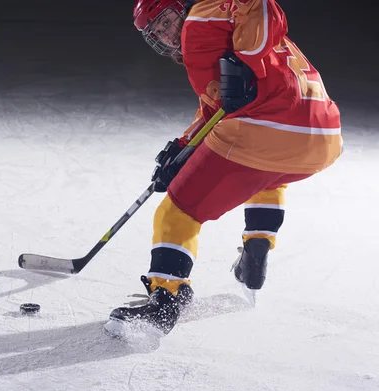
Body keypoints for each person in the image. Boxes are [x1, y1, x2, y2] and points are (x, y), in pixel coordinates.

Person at [106, 0, 342, 335]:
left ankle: (165, 303)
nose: (165, 32)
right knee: (265, 174)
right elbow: (214, 111)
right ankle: (256, 248)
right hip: (322, 137)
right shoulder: (214, 37)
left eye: (165, 20)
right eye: (156, 30)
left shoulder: (201, 16)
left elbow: (257, 4)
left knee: (178, 210)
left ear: (179, 7)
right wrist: (181, 149)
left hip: (267, 129)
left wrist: (246, 58)